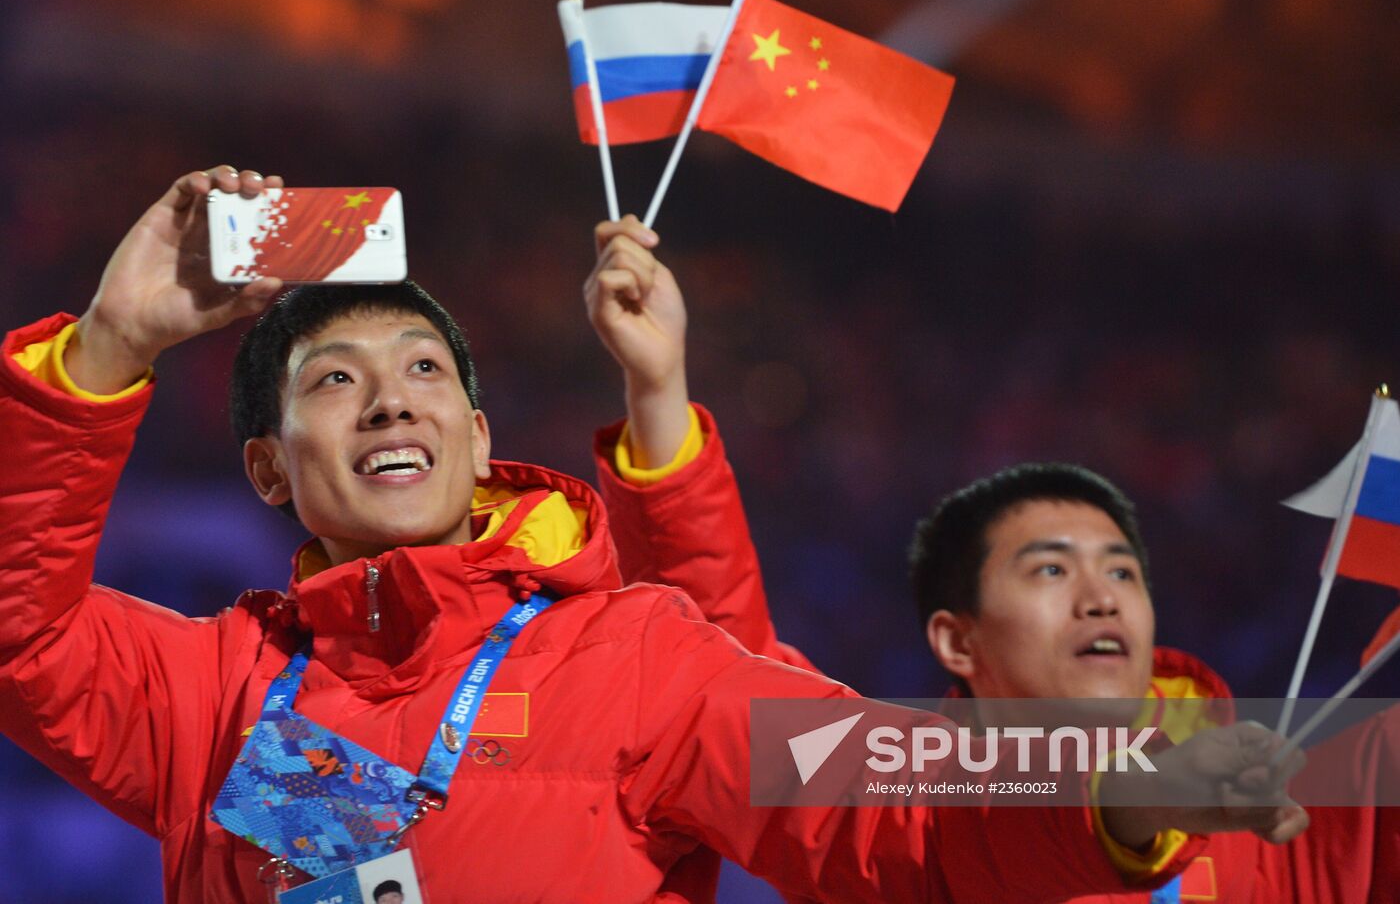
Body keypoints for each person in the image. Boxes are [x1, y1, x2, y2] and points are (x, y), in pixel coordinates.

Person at [0, 168, 1296, 904]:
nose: (392, 395)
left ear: (475, 424)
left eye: (424, 369)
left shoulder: (633, 659)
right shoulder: (216, 686)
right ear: (267, 469)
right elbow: (23, 628)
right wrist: (110, 346)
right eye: (335, 377)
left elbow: (877, 802)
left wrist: (1104, 795)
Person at [585, 215, 1396, 902]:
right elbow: (722, 682)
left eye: (1123, 571)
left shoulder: (1287, 815)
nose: (1101, 596)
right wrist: (658, 398)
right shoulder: (906, 805)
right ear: (956, 639)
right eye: (1050, 568)